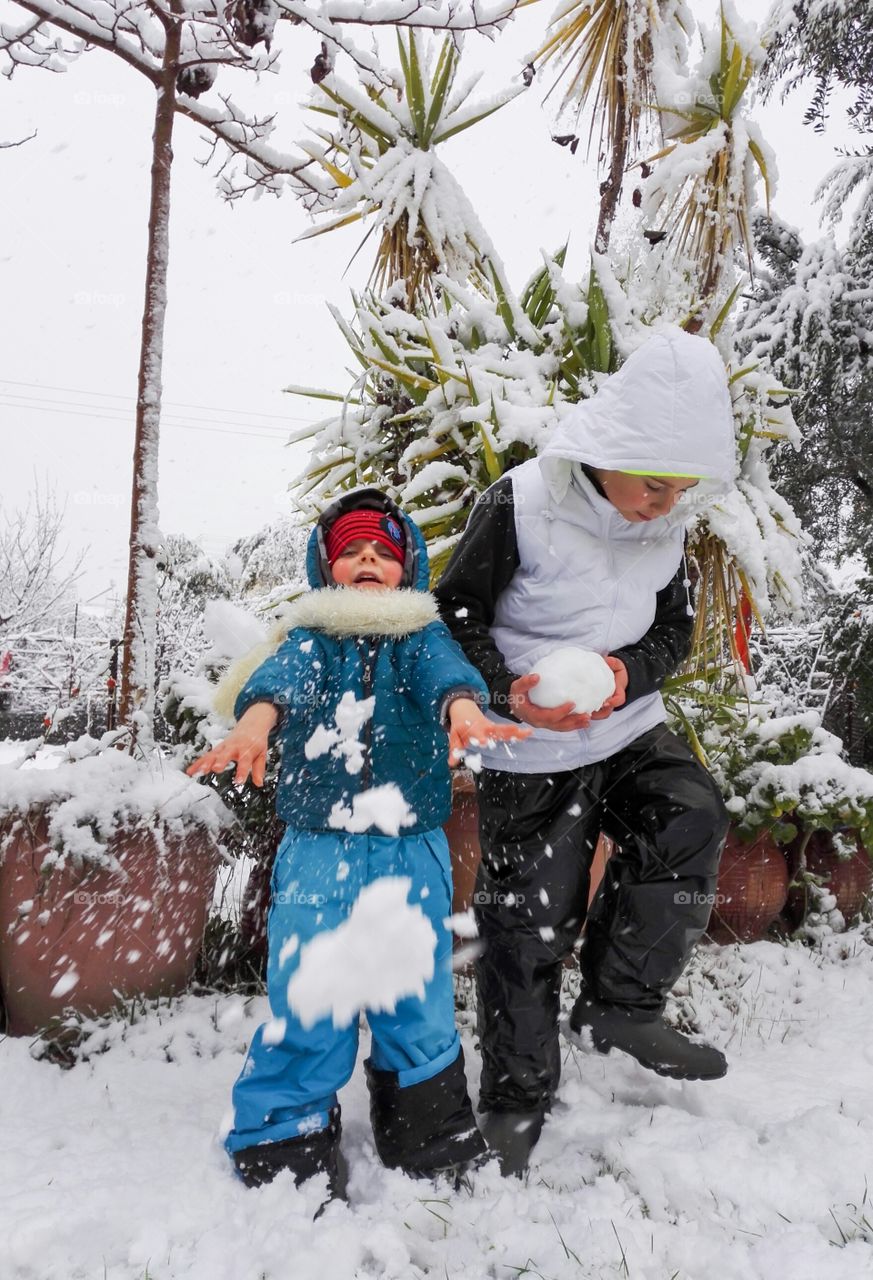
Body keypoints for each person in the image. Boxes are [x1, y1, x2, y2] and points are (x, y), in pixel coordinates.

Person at [434, 327, 733, 1176]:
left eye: (681, 488)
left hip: (628, 727)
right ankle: (516, 1095)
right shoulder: (520, 503)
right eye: (652, 483)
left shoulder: (666, 524)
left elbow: (673, 632)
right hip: (532, 751)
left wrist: (620, 673)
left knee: (689, 815)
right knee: (527, 926)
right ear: (608, 451)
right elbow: (453, 614)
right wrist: (503, 692)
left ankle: (621, 1007)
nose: (663, 503)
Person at [187, 488, 529, 1206]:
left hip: (410, 848)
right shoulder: (310, 639)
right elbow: (277, 683)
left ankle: (426, 1130)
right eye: (351, 550)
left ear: (406, 568)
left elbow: (446, 677)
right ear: (326, 567)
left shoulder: (420, 637)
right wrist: (253, 727)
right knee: (311, 988)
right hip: (318, 851)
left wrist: (463, 710)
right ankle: (282, 1134)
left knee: (415, 992)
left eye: (381, 550)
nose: (367, 558)